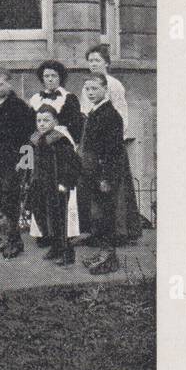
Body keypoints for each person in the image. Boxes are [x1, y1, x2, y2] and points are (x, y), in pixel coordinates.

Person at [76, 74, 133, 275]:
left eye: (94, 89)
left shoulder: (110, 115)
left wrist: (105, 178)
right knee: (97, 215)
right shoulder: (95, 112)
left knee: (106, 215)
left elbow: (112, 151)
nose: (91, 93)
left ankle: (110, 258)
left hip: (104, 174)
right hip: (93, 172)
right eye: (87, 89)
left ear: (105, 90)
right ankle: (103, 252)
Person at [0, 70, 37, 257]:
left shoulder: (18, 106)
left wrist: (23, 161)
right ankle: (8, 238)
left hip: (14, 160)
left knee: (11, 200)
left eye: (0, 84)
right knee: (2, 200)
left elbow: (29, 135)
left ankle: (15, 242)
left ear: (9, 84)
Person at [24, 107, 82, 266]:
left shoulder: (60, 140)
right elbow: (28, 161)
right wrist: (27, 179)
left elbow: (72, 164)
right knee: (42, 217)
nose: (41, 124)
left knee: (59, 219)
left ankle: (67, 252)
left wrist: (65, 182)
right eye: (39, 121)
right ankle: (55, 246)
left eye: (46, 120)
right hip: (38, 184)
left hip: (57, 186)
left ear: (55, 122)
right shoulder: (34, 139)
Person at [29, 59, 84, 144]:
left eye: (54, 76)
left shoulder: (68, 98)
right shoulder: (36, 99)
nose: (50, 79)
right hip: (39, 142)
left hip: (62, 141)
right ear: (42, 78)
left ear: (60, 77)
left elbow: (75, 127)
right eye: (46, 76)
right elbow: (31, 125)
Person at [80, 44, 130, 137]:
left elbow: (121, 112)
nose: (93, 64)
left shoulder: (114, 84)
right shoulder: (87, 84)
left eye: (97, 61)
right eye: (90, 61)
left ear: (106, 63)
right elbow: (85, 109)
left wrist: (118, 138)